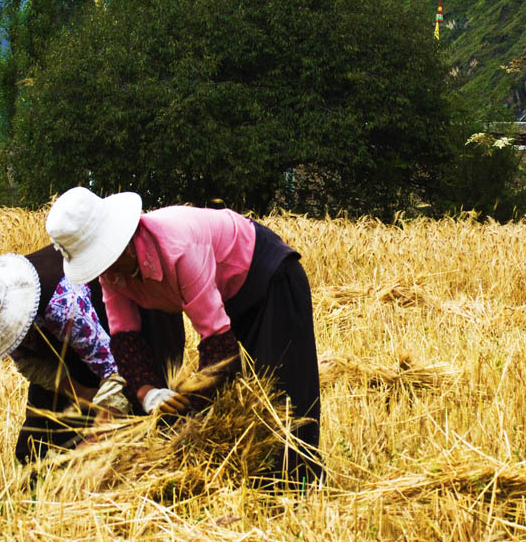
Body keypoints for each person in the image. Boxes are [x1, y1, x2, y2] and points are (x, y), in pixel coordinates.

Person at [45, 187, 321, 487]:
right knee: (245, 394)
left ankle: (296, 488)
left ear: (120, 245)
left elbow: (216, 341)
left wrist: (192, 408)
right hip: (231, 296)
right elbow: (125, 339)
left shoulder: (178, 248)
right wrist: (148, 393)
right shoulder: (112, 274)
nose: (106, 271)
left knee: (283, 390)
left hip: (269, 277)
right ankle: (251, 481)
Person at [0, 247, 185, 464]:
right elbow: (32, 364)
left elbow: (115, 371)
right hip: (68, 349)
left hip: (133, 319)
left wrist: (91, 443)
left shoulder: (61, 305)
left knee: (143, 425)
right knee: (33, 452)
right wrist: (84, 396)